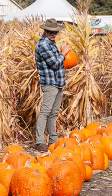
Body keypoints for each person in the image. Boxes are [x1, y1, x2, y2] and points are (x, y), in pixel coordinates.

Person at [34, 18, 71, 152]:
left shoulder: (51, 43)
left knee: (53, 113)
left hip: (58, 83)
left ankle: (53, 140)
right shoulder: (43, 44)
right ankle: (39, 142)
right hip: (50, 83)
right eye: (51, 32)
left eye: (55, 33)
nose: (54, 35)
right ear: (45, 31)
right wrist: (63, 53)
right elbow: (55, 63)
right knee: (45, 111)